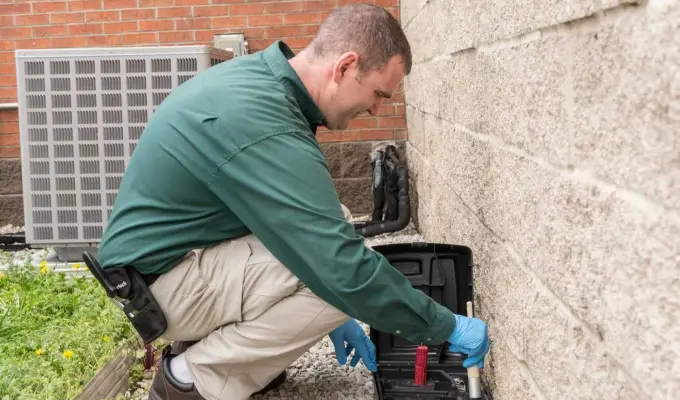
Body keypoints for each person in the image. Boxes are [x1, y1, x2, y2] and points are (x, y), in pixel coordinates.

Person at [96, 4, 490, 400]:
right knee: (338, 285)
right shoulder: (264, 123)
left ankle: (224, 350)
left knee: (331, 227)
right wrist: (446, 326)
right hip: (162, 290)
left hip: (164, 268)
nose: (375, 109)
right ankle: (190, 379)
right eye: (377, 93)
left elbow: (290, 221)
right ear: (345, 67)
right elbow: (339, 268)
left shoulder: (263, 86)